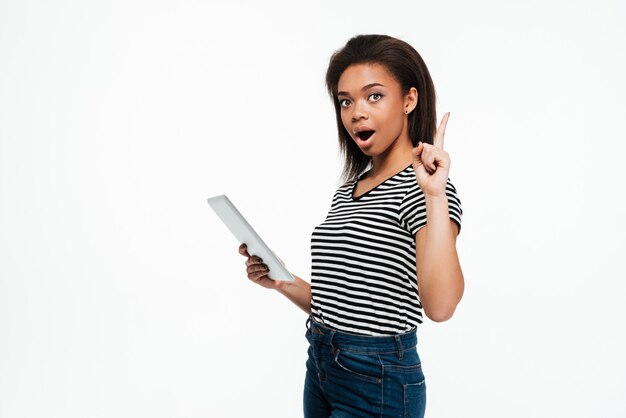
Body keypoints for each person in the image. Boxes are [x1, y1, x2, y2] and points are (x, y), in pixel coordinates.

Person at [238, 34, 463, 418]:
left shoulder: (425, 188)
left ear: (409, 99)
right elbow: (344, 305)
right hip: (322, 364)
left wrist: (435, 195)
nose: (356, 112)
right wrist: (283, 281)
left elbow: (441, 306)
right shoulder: (350, 190)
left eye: (374, 96)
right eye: (345, 101)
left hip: (378, 378)